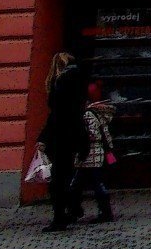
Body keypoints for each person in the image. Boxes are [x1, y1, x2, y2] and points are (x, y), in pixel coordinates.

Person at [37, 52, 87, 231]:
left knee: (57, 181)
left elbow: (56, 116)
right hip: (72, 137)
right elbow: (76, 115)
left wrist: (43, 138)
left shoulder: (61, 85)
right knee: (68, 177)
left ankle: (60, 218)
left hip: (60, 139)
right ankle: (72, 209)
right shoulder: (77, 82)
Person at [72, 81, 117, 224]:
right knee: (93, 184)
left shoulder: (88, 115)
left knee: (81, 185)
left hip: (89, 155)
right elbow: (105, 135)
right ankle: (103, 211)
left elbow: (93, 135)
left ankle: (78, 211)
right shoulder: (99, 113)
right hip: (97, 154)